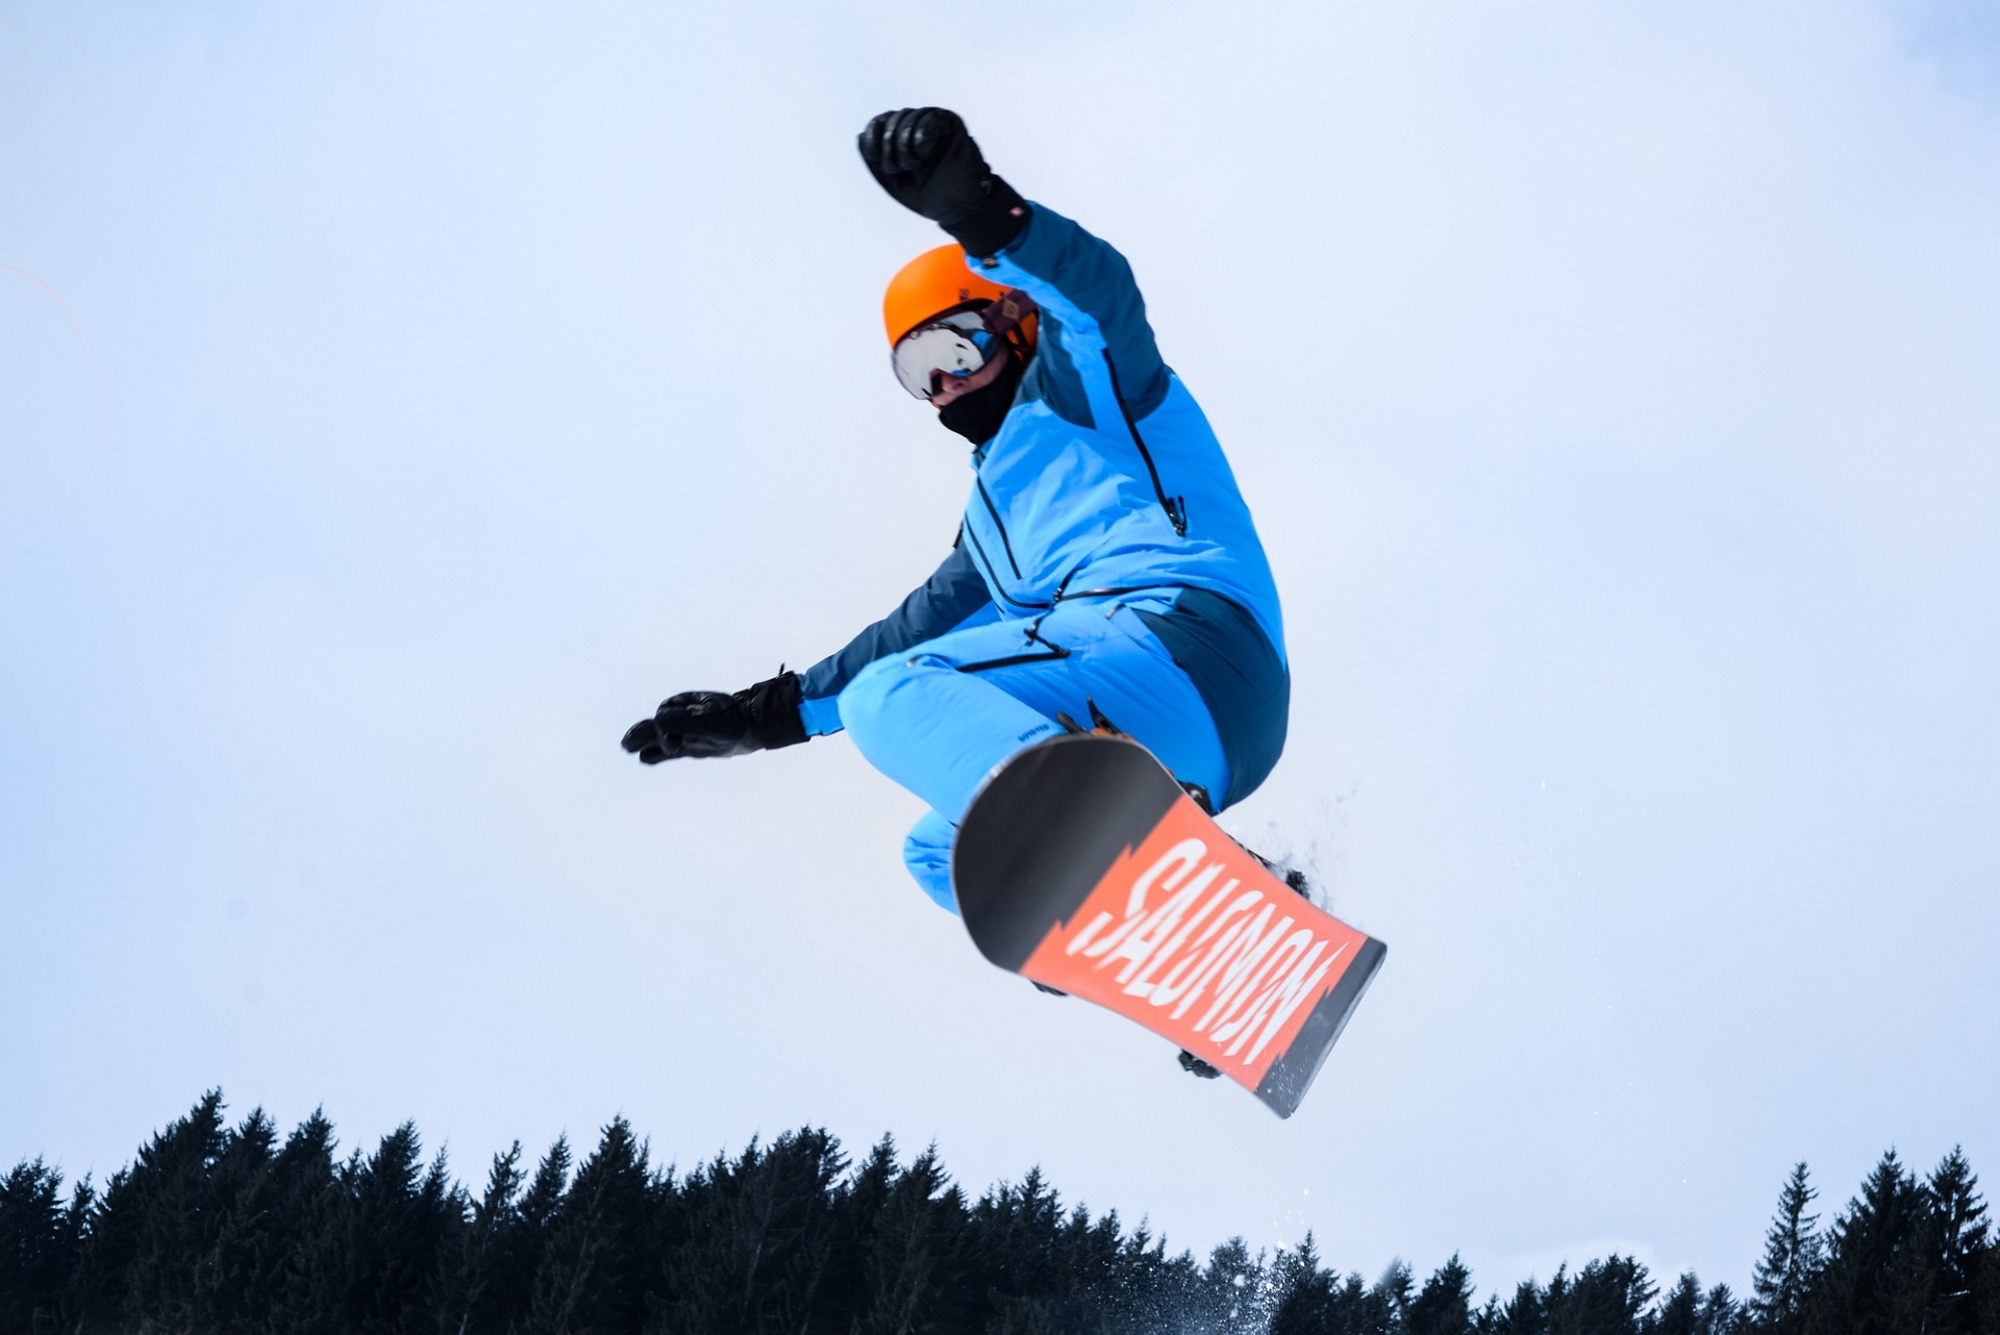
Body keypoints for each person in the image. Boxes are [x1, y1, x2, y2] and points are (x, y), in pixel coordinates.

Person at [623, 107, 1289, 917]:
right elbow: (904, 635)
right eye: (918, 373)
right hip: (1190, 743)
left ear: (1014, 320)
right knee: (945, 857)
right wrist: (767, 716)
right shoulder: (988, 535)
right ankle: (1213, 956)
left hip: (1186, 643)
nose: (943, 386)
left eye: (953, 350)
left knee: (889, 697)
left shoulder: (1089, 390)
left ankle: (1160, 871)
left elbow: (1100, 293)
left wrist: (981, 213)